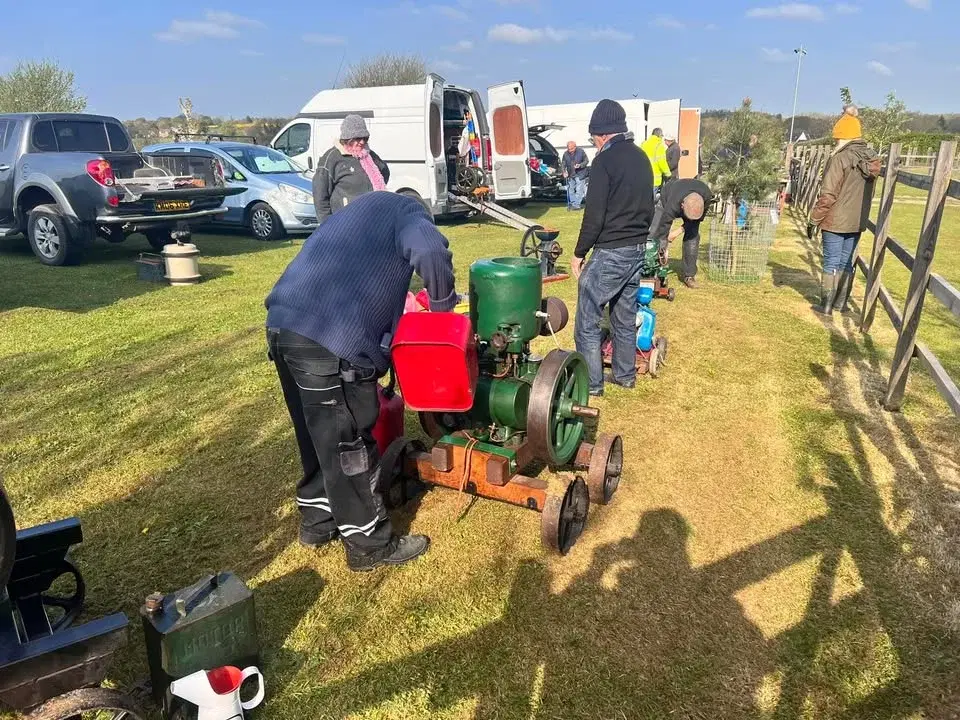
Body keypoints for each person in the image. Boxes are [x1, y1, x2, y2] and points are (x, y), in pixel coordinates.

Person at [265, 192, 457, 571]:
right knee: (347, 442)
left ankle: (318, 523)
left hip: (283, 325)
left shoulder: (355, 214)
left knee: (314, 433)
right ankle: (369, 544)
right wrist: (442, 310)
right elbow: (430, 251)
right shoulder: (407, 210)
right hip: (327, 340)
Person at [572, 100, 654, 396]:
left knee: (587, 321)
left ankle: (591, 386)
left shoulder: (604, 162)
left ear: (603, 134)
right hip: (637, 248)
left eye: (593, 136)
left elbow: (594, 216)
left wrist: (579, 254)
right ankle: (625, 376)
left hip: (612, 249)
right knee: (623, 315)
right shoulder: (642, 157)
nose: (593, 143)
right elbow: (649, 206)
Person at [810, 105, 881, 316]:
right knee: (845, 261)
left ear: (841, 137)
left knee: (831, 260)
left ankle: (827, 305)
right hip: (856, 220)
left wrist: (814, 219)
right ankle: (841, 304)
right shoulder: (871, 159)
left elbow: (828, 194)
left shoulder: (840, 158)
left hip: (835, 219)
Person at [313, 115, 390, 224]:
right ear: (347, 138)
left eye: (365, 138)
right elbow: (320, 196)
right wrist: (327, 225)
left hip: (373, 219)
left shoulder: (369, 155)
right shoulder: (332, 158)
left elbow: (384, 172)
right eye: (358, 138)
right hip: (344, 223)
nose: (362, 142)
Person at [650, 178, 712, 289]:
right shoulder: (673, 202)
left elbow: (695, 221)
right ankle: (652, 268)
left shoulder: (706, 196)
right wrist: (664, 245)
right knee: (655, 233)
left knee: (693, 237)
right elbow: (664, 225)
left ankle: (689, 276)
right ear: (682, 205)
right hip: (666, 199)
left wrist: (677, 232)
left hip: (692, 206)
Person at [640, 127, 672, 198]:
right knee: (651, 200)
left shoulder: (643, 144)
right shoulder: (659, 146)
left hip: (643, 177)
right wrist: (668, 173)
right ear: (659, 135)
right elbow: (662, 162)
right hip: (654, 179)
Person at [561, 140, 589, 210]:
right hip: (570, 174)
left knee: (579, 189)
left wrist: (580, 165)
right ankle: (573, 203)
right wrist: (564, 172)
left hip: (580, 173)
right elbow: (563, 164)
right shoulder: (565, 154)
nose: (570, 150)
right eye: (568, 149)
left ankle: (577, 205)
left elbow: (586, 161)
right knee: (570, 189)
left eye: (571, 149)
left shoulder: (581, 151)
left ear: (575, 147)